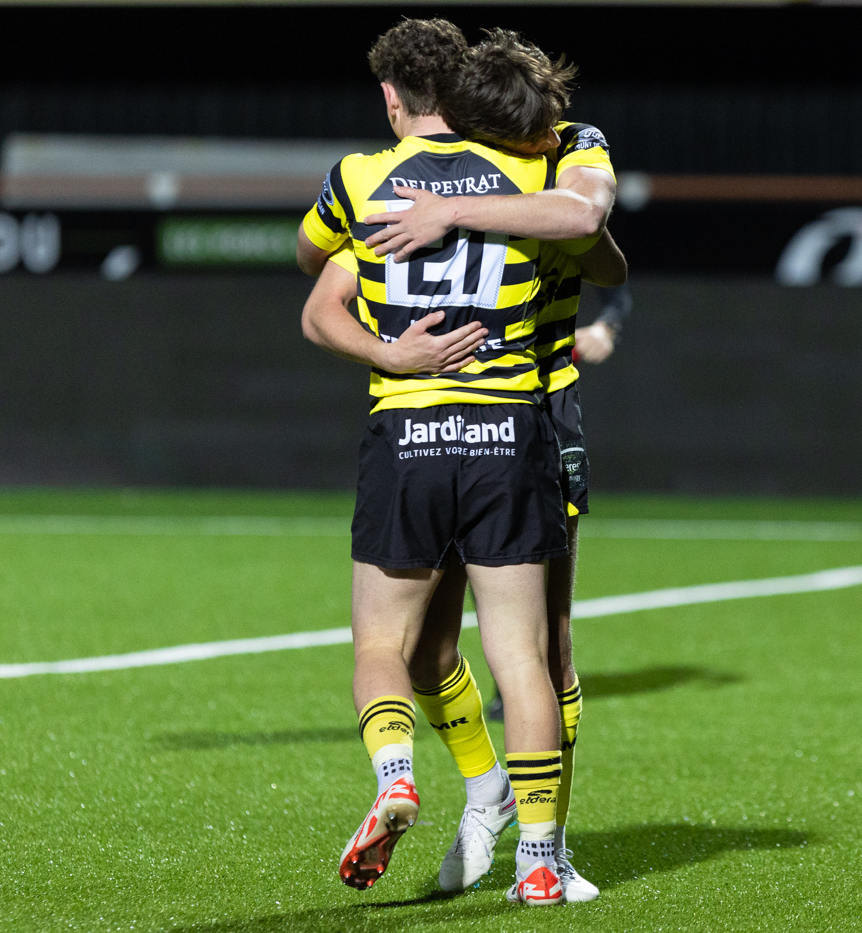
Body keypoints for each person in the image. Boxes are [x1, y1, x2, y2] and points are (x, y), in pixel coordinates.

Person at [295, 18, 606, 906]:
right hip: (512, 429)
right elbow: (593, 241)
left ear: (392, 99)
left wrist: (392, 351)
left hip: (412, 435)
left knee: (382, 643)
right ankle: (535, 852)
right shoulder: (529, 174)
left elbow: (315, 284)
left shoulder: (362, 181)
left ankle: (398, 777)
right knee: (523, 655)